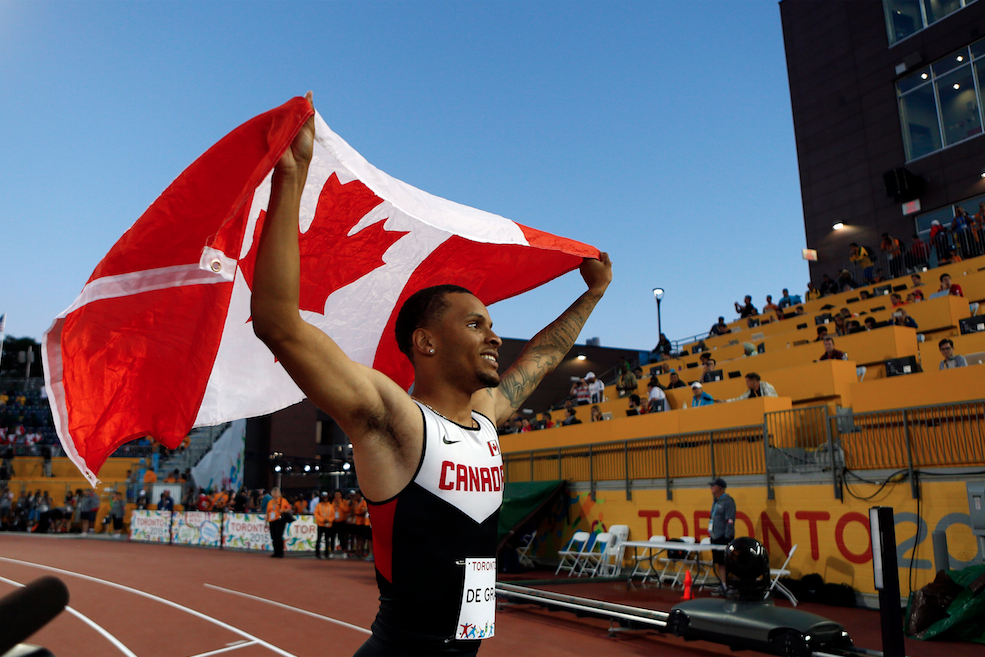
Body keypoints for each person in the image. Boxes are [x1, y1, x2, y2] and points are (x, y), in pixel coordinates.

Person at [708, 478, 736, 593]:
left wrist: (727, 536)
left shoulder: (728, 501)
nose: (711, 488)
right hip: (715, 536)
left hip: (723, 537)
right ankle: (723, 584)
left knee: (725, 562)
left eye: (713, 486)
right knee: (719, 562)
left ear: (719, 487)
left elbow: (730, 520)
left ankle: (729, 585)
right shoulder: (716, 501)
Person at [265, 487, 292, 558]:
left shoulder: (283, 500)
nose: (275, 495)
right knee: (273, 536)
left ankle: (280, 552)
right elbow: (267, 512)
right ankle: (276, 551)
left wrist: (283, 511)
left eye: (276, 493)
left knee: (279, 536)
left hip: (279, 520)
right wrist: (266, 521)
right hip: (272, 520)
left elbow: (289, 507)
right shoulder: (270, 502)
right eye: (273, 494)